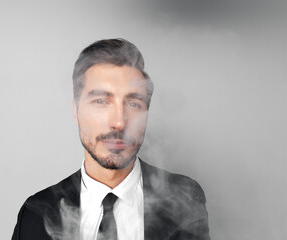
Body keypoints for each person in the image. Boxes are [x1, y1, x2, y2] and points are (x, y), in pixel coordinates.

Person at [12, 39, 210, 240]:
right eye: (100, 101)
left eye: (133, 103)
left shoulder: (184, 199)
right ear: (75, 111)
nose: (119, 122)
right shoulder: (34, 214)